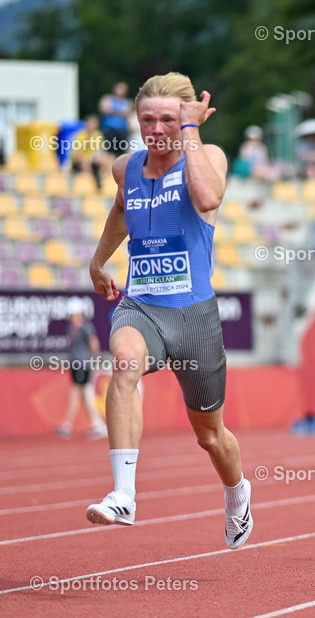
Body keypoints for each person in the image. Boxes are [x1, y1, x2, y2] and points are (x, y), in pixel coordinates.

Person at [86, 72, 253, 549]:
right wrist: (99, 260)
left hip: (194, 315)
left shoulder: (208, 155)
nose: (156, 129)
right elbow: (122, 211)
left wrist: (192, 132)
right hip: (143, 305)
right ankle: (123, 494)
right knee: (123, 363)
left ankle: (237, 492)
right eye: (147, 120)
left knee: (210, 435)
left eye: (167, 119)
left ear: (184, 118)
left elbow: (207, 198)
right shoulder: (126, 168)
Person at [55, 297, 107, 440]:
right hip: (77, 364)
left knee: (76, 392)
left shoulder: (85, 328)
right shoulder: (71, 328)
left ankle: (67, 424)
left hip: (83, 365)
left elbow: (94, 344)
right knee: (85, 395)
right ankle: (97, 425)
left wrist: (93, 361)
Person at [70, 115, 113, 190]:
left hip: (94, 158)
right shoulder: (81, 135)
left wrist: (100, 157)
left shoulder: (98, 135)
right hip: (82, 158)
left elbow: (100, 150)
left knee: (110, 159)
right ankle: (91, 185)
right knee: (85, 162)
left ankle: (109, 184)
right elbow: (78, 153)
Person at [99, 82, 132, 155]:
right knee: (109, 152)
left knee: (121, 153)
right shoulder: (107, 98)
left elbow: (127, 113)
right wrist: (120, 113)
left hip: (121, 131)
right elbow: (104, 110)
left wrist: (112, 111)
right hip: (108, 130)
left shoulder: (127, 102)